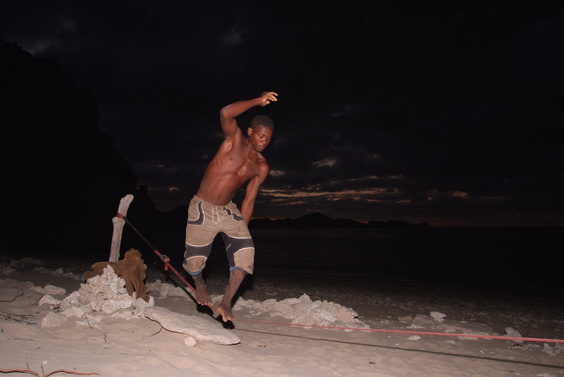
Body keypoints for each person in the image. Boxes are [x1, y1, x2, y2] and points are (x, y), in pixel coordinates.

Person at [183, 91, 278, 322]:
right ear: (250, 132)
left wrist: (239, 233)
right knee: (194, 262)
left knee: (246, 254)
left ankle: (226, 303)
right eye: (261, 136)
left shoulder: (262, 167)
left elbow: (249, 200)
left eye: (268, 139)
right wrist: (257, 101)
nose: (264, 142)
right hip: (203, 207)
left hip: (229, 211)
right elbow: (225, 112)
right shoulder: (232, 140)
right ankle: (199, 285)